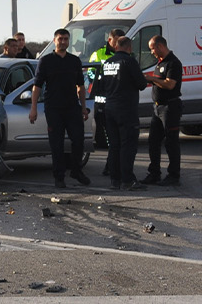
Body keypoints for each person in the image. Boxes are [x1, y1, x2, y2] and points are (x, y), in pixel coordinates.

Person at [29, 28, 91, 189]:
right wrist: (33, 108)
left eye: (65, 39)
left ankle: (76, 171)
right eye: (60, 39)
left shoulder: (74, 61)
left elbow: (80, 86)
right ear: (54, 41)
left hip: (72, 108)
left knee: (78, 141)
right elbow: (37, 86)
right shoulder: (46, 61)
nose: (63, 41)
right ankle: (59, 177)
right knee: (56, 145)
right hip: (53, 108)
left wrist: (83, 107)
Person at [99, 36, 149, 191]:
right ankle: (127, 180)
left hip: (110, 108)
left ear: (116, 46)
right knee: (128, 146)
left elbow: (101, 86)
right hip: (126, 109)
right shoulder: (129, 62)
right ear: (129, 47)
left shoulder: (107, 63)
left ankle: (115, 180)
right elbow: (142, 84)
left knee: (114, 146)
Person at [142, 35, 183, 186]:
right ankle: (154, 173)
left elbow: (170, 84)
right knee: (153, 141)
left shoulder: (173, 63)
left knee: (171, 142)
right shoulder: (160, 63)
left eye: (152, 48)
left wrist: (151, 79)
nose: (151, 52)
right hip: (157, 108)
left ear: (160, 46)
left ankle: (173, 175)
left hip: (170, 107)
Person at [89, 28, 126, 175]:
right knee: (111, 138)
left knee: (115, 138)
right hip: (102, 101)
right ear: (109, 40)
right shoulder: (98, 54)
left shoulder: (125, 54)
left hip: (117, 100)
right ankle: (111, 167)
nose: (118, 43)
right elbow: (91, 72)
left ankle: (111, 166)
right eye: (116, 40)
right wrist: (106, 80)